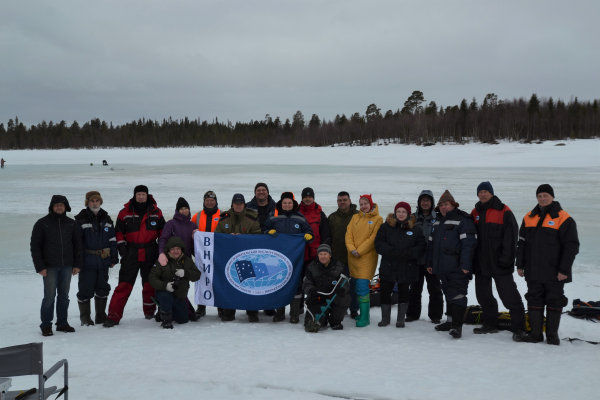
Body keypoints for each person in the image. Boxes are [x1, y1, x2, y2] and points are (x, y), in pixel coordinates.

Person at [516, 184, 579, 345]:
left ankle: (552, 335)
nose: (542, 199)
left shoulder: (563, 218)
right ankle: (536, 335)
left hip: (555, 271)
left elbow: (571, 246)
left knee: (554, 300)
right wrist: (520, 265)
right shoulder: (529, 217)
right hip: (533, 270)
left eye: (545, 195)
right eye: (539, 196)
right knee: (534, 299)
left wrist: (564, 269)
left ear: (552, 197)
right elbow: (521, 243)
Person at [470, 182, 526, 341]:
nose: (482, 194)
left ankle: (519, 328)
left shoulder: (504, 210)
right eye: (480, 191)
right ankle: (490, 324)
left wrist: (507, 259)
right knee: (483, 295)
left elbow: (511, 237)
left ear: (492, 193)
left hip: (500, 263)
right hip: (481, 263)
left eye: (485, 191)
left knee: (509, 296)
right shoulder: (475, 212)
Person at [104, 185, 166, 327]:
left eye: (143, 194)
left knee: (150, 284)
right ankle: (113, 315)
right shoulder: (124, 212)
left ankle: (150, 311)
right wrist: (123, 251)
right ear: (134, 195)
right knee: (124, 285)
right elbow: (118, 233)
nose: (141, 196)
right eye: (138, 194)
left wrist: (160, 251)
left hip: (150, 251)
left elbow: (163, 233)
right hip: (131, 252)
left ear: (147, 195)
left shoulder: (156, 212)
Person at [426, 190, 477, 339]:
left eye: (446, 204)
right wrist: (429, 263)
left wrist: (466, 265)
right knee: (448, 293)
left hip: (458, 267)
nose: (443, 207)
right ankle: (449, 322)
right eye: (441, 205)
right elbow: (431, 245)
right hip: (442, 267)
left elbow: (469, 244)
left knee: (458, 295)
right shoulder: (437, 221)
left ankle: (457, 326)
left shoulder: (463, 219)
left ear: (453, 204)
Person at [30, 195, 83, 336]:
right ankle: (46, 325)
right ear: (51, 207)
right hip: (50, 267)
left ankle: (62, 323)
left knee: (64, 296)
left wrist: (77, 264)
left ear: (66, 207)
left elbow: (78, 245)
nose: (59, 207)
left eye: (62, 205)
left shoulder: (72, 224)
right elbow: (35, 246)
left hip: (67, 266)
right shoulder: (42, 223)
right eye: (56, 205)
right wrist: (40, 267)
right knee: (49, 296)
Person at [264, 192, 314, 323]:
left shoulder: (300, 218)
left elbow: (309, 232)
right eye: (284, 203)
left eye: (289, 203)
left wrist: (309, 236)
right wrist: (267, 232)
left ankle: (294, 314)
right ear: (281, 203)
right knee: (279, 283)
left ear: (293, 204)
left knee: (296, 285)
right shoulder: (273, 217)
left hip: (295, 259)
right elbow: (263, 229)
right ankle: (280, 313)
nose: (287, 205)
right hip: (277, 258)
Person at [375, 202, 427, 328]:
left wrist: (409, 254)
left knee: (404, 292)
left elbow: (422, 246)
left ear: (408, 214)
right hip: (389, 265)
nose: (401, 214)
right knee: (385, 292)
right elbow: (379, 243)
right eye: (399, 211)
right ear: (395, 213)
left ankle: (400, 319)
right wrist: (391, 252)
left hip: (407, 266)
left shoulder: (415, 229)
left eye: (404, 212)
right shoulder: (385, 227)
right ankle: (385, 319)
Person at [215, 193, 262, 322]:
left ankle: (252, 312)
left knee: (249, 284)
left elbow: (258, 237)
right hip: (228, 258)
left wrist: (242, 238)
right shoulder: (223, 219)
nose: (238, 206)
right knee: (229, 284)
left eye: (241, 203)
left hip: (247, 258)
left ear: (244, 205)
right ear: (232, 205)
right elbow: (217, 237)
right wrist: (228, 237)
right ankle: (229, 312)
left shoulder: (252, 219)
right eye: (236, 203)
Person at [74, 191, 118, 326]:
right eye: (92, 201)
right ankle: (85, 318)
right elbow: (76, 244)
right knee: (85, 290)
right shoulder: (80, 220)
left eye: (97, 201)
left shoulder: (107, 219)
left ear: (100, 202)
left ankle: (100, 316)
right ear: (87, 203)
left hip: (104, 261)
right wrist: (77, 262)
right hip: (87, 261)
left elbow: (112, 239)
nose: (95, 203)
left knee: (103, 288)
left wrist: (114, 257)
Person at [157, 197, 200, 322]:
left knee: (183, 287)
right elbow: (163, 239)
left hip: (185, 259)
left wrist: (195, 240)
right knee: (173, 285)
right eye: (182, 209)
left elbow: (194, 246)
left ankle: (178, 310)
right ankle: (169, 310)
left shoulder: (192, 224)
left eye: (186, 208)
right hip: (171, 259)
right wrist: (161, 254)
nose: (184, 211)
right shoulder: (171, 223)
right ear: (177, 210)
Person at [344, 194, 383, 327]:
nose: (363, 206)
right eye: (361, 204)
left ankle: (365, 317)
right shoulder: (355, 217)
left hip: (366, 258)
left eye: (365, 203)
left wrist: (359, 250)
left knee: (362, 286)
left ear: (371, 204)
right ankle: (363, 313)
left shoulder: (378, 219)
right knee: (354, 285)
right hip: (352, 257)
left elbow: (373, 238)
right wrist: (352, 249)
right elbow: (348, 234)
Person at [406, 190, 444, 324]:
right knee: (414, 289)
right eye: (423, 200)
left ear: (432, 202)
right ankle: (412, 314)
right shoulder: (412, 218)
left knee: (435, 290)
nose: (425, 202)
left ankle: (435, 315)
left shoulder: (438, 218)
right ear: (419, 202)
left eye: (428, 200)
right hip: (415, 260)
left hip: (432, 261)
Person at [149, 237, 201, 328]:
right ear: (168, 250)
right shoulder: (162, 260)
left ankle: (163, 312)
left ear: (182, 249)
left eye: (178, 249)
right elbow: (152, 278)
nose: (175, 251)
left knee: (183, 320)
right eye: (172, 249)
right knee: (166, 296)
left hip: (179, 297)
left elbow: (197, 275)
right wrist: (165, 286)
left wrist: (186, 273)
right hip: (164, 293)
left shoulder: (188, 260)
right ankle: (166, 320)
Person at [297, 187, 331, 315]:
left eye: (310, 196)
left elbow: (325, 234)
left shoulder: (320, 213)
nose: (307, 198)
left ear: (313, 197)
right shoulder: (296, 211)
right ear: (302, 198)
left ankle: (313, 305)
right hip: (299, 253)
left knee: (314, 282)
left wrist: (324, 254)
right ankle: (298, 306)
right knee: (298, 281)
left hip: (314, 255)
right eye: (305, 196)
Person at [303, 244, 351, 332]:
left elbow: (345, 282)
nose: (323, 256)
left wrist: (342, 288)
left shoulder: (339, 267)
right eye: (320, 254)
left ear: (330, 255)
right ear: (317, 255)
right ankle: (323, 319)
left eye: (325, 254)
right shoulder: (311, 267)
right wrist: (310, 289)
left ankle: (335, 321)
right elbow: (307, 283)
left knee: (344, 298)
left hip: (333, 296)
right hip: (318, 296)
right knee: (311, 325)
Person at [328, 191, 359, 317]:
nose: (342, 202)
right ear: (337, 202)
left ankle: (353, 310)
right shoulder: (332, 217)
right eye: (340, 200)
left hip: (354, 257)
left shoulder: (358, 216)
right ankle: (338, 308)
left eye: (345, 200)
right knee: (337, 285)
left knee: (353, 286)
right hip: (337, 258)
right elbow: (328, 237)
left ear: (350, 201)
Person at [191, 190, 221, 317]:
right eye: (207, 200)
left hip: (218, 253)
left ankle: (221, 307)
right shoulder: (196, 216)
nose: (209, 203)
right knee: (202, 278)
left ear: (215, 202)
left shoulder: (223, 215)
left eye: (212, 200)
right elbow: (190, 231)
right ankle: (201, 307)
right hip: (202, 255)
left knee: (219, 279)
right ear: (204, 202)